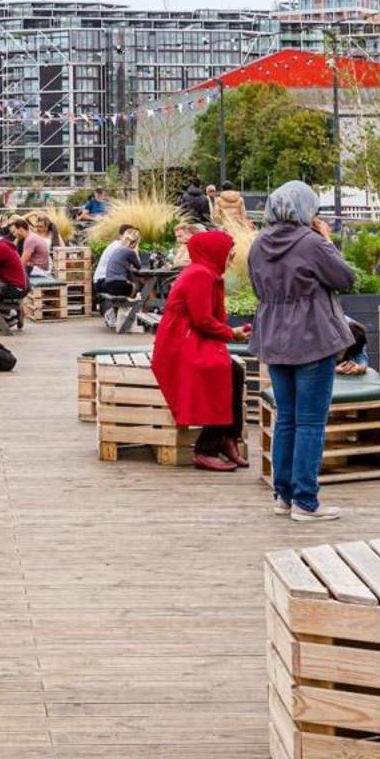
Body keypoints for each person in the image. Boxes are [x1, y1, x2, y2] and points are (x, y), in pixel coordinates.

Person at [248, 181, 357, 522]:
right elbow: (346, 279)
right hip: (312, 336)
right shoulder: (311, 243)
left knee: (287, 420)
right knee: (310, 423)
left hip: (274, 337)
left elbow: (256, 288)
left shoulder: (258, 243)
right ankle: (306, 502)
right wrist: (327, 240)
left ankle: (284, 496)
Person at [150, 228, 251, 471]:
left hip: (187, 339)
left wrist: (227, 332)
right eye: (229, 254)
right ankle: (206, 449)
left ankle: (227, 437)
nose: (232, 258)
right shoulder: (201, 275)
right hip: (180, 344)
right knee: (221, 371)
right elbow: (202, 320)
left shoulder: (205, 272)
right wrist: (231, 333)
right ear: (215, 252)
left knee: (233, 371)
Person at [94, 225, 143, 300]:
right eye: (128, 234)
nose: (130, 237)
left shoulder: (117, 246)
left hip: (103, 281)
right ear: (121, 236)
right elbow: (137, 266)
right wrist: (135, 248)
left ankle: (133, 308)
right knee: (136, 285)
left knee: (137, 282)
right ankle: (135, 308)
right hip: (103, 282)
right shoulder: (117, 247)